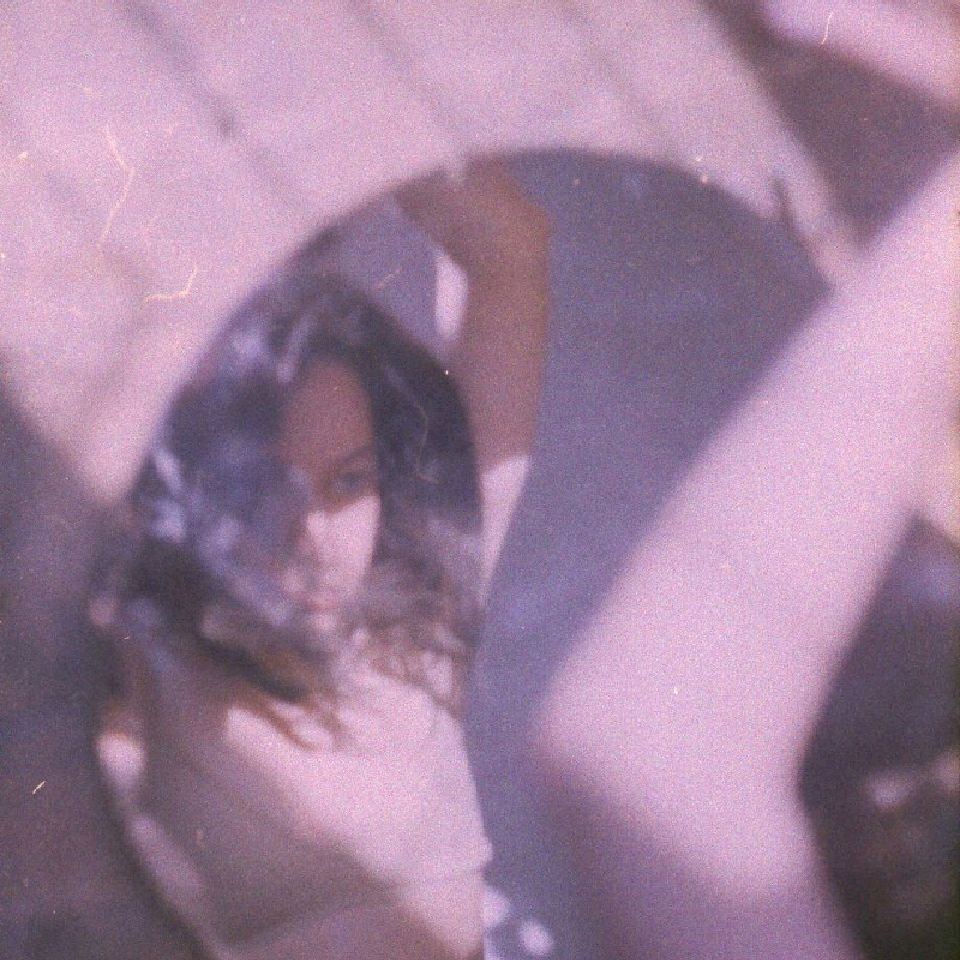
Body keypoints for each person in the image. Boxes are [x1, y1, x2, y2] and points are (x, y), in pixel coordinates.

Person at [91, 160, 550, 960]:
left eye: (348, 480)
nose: (314, 535)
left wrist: (364, 139)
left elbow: (513, 254)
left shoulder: (418, 635)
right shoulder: (139, 681)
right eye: (264, 488)